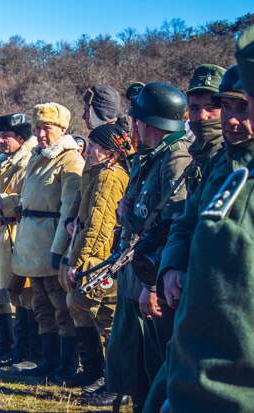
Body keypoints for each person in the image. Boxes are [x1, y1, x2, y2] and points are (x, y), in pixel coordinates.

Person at [153, 61, 254, 413]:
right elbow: (186, 222)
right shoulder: (221, 166)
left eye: (243, 107)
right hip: (195, 330)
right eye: (227, 106)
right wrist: (170, 267)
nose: (232, 119)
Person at [141, 63, 226, 413]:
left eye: (212, 107)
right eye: (194, 108)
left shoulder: (229, 162)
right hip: (186, 288)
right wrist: (171, 266)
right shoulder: (201, 159)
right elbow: (185, 222)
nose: (202, 116)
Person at [105, 82, 190, 412]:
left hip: (150, 275)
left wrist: (153, 285)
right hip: (135, 269)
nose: (134, 126)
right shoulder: (149, 158)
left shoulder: (175, 160)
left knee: (155, 363)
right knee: (131, 358)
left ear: (152, 123)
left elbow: (173, 226)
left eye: (139, 120)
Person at [11, 103, 84, 381]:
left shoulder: (70, 159)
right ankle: (48, 360)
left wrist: (59, 248)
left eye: (47, 129)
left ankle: (67, 365)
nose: (41, 134)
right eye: (37, 128)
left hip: (51, 241)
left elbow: (69, 207)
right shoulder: (36, 157)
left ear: (63, 130)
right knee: (41, 305)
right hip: (31, 243)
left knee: (61, 308)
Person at [59, 125, 131, 395]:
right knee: (82, 309)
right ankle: (93, 371)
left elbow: (100, 226)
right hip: (88, 252)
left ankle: (113, 381)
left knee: (106, 317)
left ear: (110, 152)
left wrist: (83, 261)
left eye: (93, 147)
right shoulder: (94, 173)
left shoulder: (109, 178)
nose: (87, 151)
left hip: (102, 259)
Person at [0, 113, 37, 362]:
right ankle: (6, 343)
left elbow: (28, 199)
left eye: (7, 136)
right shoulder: (4, 163)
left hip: (18, 231)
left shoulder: (28, 162)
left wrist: (7, 202)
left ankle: (25, 350)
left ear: (21, 138)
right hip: (0, 231)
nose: (1, 141)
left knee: (23, 293)